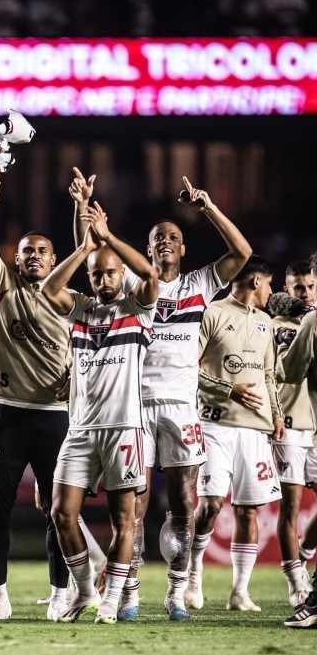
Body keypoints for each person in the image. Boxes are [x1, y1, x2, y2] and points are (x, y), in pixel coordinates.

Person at [71, 170, 252, 621]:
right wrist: (85, 212)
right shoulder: (135, 285)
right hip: (134, 406)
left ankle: (176, 590)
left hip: (181, 406)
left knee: (186, 502)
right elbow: (94, 254)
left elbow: (242, 253)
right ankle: (128, 591)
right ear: (148, 249)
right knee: (134, 504)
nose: (166, 241)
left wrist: (206, 206)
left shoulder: (200, 285)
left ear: (183, 247)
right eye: (158, 238)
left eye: (173, 235)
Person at [0, 145, 74, 621]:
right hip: (8, 414)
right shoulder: (3, 288)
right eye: (27, 251)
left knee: (58, 512)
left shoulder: (70, 300)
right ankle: (0, 594)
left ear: (55, 259)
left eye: (41, 251)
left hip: (56, 419)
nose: (32, 256)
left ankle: (60, 592)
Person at [44, 202, 158, 624]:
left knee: (123, 519)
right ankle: (87, 589)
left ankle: (112, 601)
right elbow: (48, 291)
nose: (104, 279)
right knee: (61, 512)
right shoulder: (81, 308)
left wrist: (107, 240)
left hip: (125, 428)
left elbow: (149, 274)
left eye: (110, 272)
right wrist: (85, 249)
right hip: (82, 427)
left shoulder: (138, 308)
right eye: (97, 275)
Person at [188, 256, 283, 612]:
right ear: (255, 281)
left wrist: (275, 413)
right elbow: (188, 368)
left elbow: (269, 374)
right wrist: (229, 389)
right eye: (269, 283)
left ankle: (239, 591)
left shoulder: (265, 322)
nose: (271, 291)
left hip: (255, 429)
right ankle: (193, 573)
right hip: (215, 424)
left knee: (248, 511)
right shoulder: (212, 313)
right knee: (210, 504)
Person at [270, 263, 316, 606]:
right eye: (298, 287)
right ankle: (296, 579)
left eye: (310, 286)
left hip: (315, 424)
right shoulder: (278, 326)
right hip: (290, 423)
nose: (306, 293)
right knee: (291, 506)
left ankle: (306, 549)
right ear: (287, 289)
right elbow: (285, 372)